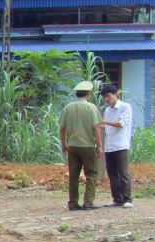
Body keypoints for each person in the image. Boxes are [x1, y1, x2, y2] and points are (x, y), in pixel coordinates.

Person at [58, 80, 104, 211]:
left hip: (72, 145)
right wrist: (100, 146)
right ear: (88, 94)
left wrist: (63, 144)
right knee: (92, 173)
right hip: (87, 145)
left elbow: (62, 128)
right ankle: (88, 202)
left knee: (73, 175)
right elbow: (97, 128)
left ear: (76, 94)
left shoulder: (68, 108)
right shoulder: (91, 108)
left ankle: (73, 202)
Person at [100, 83, 135, 207]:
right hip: (109, 146)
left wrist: (105, 122)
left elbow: (122, 124)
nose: (106, 99)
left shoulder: (125, 107)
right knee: (112, 173)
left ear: (116, 95)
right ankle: (117, 199)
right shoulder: (107, 110)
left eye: (108, 96)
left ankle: (127, 199)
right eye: (104, 97)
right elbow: (107, 127)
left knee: (123, 173)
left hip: (121, 145)